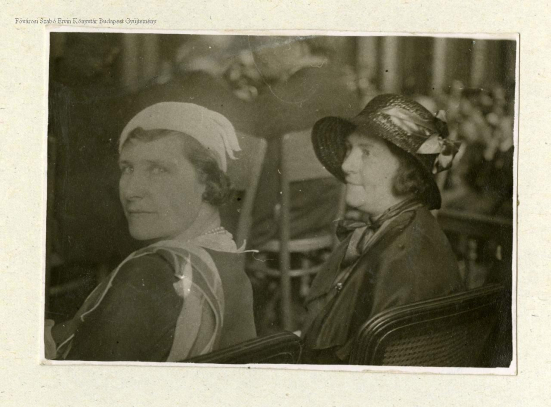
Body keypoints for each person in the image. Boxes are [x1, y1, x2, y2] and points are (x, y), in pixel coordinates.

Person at [45, 103, 256, 362]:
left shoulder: (150, 275)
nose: (131, 190)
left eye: (158, 169)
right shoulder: (227, 258)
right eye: (127, 168)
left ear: (207, 180)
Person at [301, 94, 466, 364]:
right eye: (349, 149)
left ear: (406, 169)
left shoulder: (407, 257)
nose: (345, 165)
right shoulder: (396, 226)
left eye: (366, 152)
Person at [248, 36, 360, 247]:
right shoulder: (348, 95)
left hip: (281, 223)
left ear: (299, 47)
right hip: (331, 215)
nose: (263, 54)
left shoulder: (273, 99)